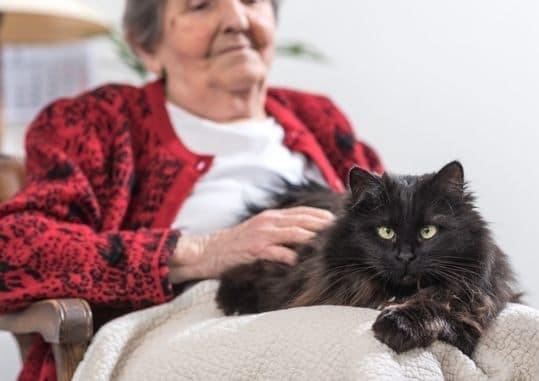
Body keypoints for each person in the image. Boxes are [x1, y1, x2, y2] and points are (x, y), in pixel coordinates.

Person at [0, 1, 382, 380]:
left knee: (420, 343)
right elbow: (13, 252)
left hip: (334, 312)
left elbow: (399, 224)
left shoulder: (319, 119)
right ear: (146, 47)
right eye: (200, 6)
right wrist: (204, 251)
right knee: (369, 353)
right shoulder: (93, 123)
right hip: (176, 326)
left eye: (251, 1)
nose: (236, 19)